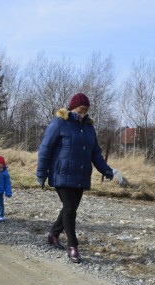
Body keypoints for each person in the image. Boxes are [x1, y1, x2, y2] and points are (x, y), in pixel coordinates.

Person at [36, 92, 114, 263]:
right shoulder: (59, 123)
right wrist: (41, 173)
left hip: (80, 175)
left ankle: (53, 234)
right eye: (80, 110)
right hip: (61, 174)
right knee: (70, 209)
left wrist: (107, 171)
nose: (83, 113)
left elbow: (96, 154)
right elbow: (45, 149)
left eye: (86, 110)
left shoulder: (89, 128)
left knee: (69, 209)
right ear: (72, 108)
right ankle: (73, 247)